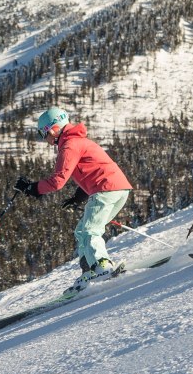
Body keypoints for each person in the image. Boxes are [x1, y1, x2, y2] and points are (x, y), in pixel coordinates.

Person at [13, 107, 134, 289]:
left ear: (52, 129)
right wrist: (78, 197)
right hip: (118, 188)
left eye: (42, 133)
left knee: (90, 230)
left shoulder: (69, 145)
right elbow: (91, 169)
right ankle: (89, 271)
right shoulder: (78, 141)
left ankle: (102, 266)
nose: (43, 138)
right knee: (81, 231)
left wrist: (32, 188)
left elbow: (57, 181)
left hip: (105, 189)